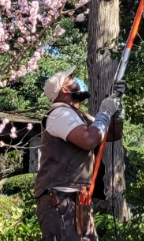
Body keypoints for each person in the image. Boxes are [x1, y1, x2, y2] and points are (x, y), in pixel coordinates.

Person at [34, 68, 125, 241]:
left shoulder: (79, 116)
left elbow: (112, 134)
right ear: (65, 89)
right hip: (60, 199)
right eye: (72, 78)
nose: (78, 80)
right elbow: (89, 139)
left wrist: (117, 113)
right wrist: (105, 111)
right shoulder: (59, 114)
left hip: (77, 198)